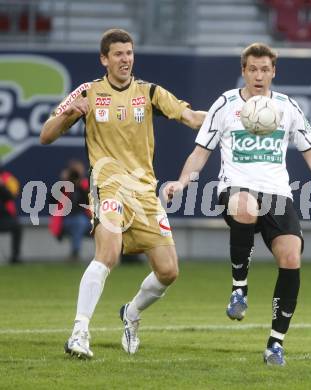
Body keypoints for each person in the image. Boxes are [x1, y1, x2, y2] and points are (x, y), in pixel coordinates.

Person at [163, 43, 311, 366]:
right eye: (253, 69)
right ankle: (239, 289)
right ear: (244, 71)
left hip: (278, 193)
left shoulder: (287, 108)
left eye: (265, 69)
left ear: (274, 71)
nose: (259, 75)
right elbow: (201, 152)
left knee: (291, 257)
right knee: (245, 206)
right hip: (237, 188)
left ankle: (275, 344)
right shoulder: (225, 104)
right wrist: (181, 182)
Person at [40, 28, 206, 359]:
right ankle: (79, 332)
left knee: (169, 271)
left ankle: (130, 314)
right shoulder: (88, 91)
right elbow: (46, 134)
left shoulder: (150, 92)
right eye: (118, 54)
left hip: (144, 192)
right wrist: (73, 112)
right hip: (108, 184)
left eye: (129, 53)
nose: (125, 59)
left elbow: (190, 117)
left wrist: (225, 119)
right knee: (109, 250)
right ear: (104, 59)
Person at [49, 159, 91, 260]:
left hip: (85, 220)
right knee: (78, 222)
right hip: (66, 220)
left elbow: (90, 202)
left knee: (79, 221)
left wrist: (81, 186)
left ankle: (75, 252)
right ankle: (75, 252)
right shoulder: (63, 186)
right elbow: (51, 201)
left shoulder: (85, 186)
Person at [0, 164, 22, 264]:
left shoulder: (7, 179)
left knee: (17, 227)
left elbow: (11, 196)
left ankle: (15, 257)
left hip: (4, 217)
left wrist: (2, 186)